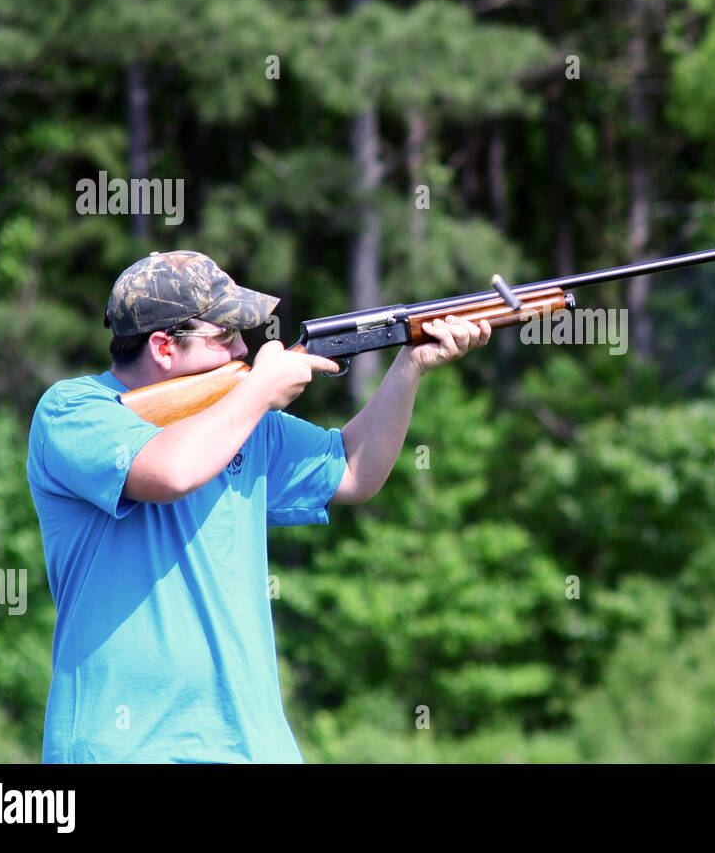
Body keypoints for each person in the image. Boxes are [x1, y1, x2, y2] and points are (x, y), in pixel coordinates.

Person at [25, 250, 489, 762]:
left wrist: (410, 365)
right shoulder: (73, 410)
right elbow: (172, 471)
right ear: (164, 347)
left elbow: (355, 472)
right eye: (225, 335)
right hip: (127, 748)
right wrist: (260, 391)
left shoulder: (245, 419)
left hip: (252, 747)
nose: (244, 348)